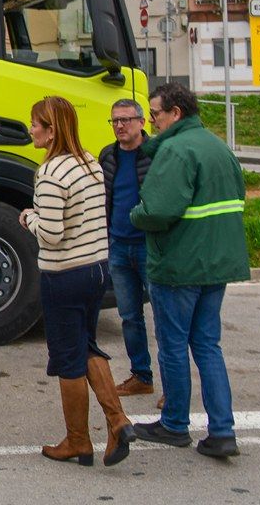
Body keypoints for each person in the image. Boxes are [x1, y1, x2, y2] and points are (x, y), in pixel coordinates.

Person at [130, 82, 250, 459]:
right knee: (208, 347)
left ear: (175, 113)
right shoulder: (218, 147)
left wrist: (135, 214)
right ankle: (222, 430)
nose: (153, 123)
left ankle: (175, 424)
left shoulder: (177, 150)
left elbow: (157, 211)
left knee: (172, 347)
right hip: (217, 265)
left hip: (179, 266)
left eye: (156, 115)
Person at [20, 95, 135, 467]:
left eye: (37, 124)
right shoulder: (90, 164)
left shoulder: (51, 174)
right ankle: (117, 420)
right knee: (86, 346)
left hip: (64, 274)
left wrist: (28, 219)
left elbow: (51, 233)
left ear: (52, 131)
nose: (32, 129)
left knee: (68, 359)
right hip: (95, 270)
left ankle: (77, 441)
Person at [98, 99, 161, 407]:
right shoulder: (108, 156)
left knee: (164, 318)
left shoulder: (157, 154)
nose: (120, 126)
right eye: (114, 121)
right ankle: (141, 377)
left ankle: (173, 387)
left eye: (125, 120)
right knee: (129, 317)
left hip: (150, 246)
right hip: (118, 246)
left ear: (141, 122)